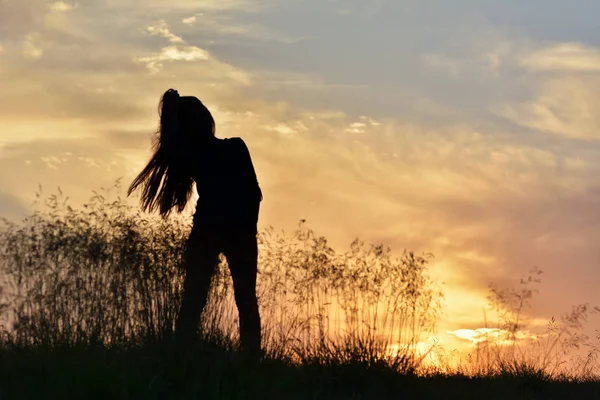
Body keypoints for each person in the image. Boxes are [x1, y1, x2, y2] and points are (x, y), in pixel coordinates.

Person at [128, 89, 263, 356]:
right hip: (219, 231)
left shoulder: (229, 147)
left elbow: (254, 194)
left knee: (215, 299)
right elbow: (253, 194)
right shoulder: (198, 155)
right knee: (207, 299)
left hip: (221, 231)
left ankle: (239, 360)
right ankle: (194, 357)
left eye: (202, 112)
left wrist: (246, 230)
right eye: (197, 116)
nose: (203, 117)